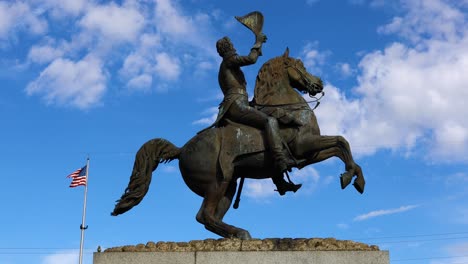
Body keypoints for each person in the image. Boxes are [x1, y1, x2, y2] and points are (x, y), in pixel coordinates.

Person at [213, 34, 301, 195]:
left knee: (264, 134)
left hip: (241, 103)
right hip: (236, 105)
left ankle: (280, 181)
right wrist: (258, 43)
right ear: (227, 48)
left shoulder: (228, 66)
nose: (234, 47)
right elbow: (251, 59)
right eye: (231, 45)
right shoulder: (229, 61)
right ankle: (280, 159)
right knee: (270, 122)